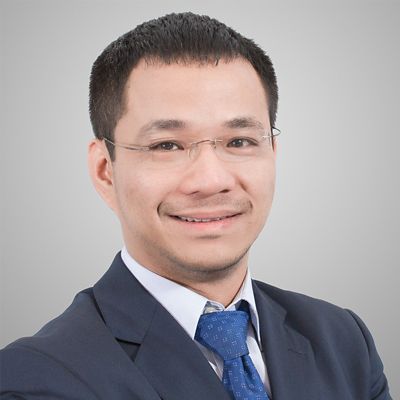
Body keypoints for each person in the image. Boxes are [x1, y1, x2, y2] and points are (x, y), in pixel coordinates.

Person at [0, 12, 391, 400]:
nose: (211, 181)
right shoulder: (40, 377)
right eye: (166, 145)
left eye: (239, 141)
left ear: (272, 153)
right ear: (105, 171)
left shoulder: (342, 341)